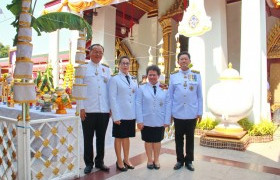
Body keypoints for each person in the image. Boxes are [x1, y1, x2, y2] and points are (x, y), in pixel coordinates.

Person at [169, 51, 203, 171]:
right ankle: (179, 160)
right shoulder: (173, 76)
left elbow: (199, 96)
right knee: (178, 138)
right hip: (178, 113)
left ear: (189, 61)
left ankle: (189, 161)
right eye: (181, 59)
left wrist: (200, 112)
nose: (184, 61)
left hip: (191, 113)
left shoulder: (196, 75)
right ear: (178, 62)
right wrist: (170, 114)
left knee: (190, 138)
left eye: (186, 59)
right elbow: (170, 96)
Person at [80, 44, 111, 174]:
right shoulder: (83, 68)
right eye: (95, 51)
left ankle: (100, 161)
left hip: (103, 110)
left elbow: (109, 90)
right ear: (90, 52)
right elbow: (78, 89)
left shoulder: (106, 69)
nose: (98, 54)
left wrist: (110, 108)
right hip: (88, 110)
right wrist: (81, 108)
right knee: (88, 138)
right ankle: (88, 163)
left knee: (101, 138)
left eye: (100, 52)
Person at [136, 65, 171, 170]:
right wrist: (139, 120)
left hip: (160, 119)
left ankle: (156, 159)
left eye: (154, 75)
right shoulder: (142, 88)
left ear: (158, 76)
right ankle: (149, 160)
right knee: (148, 140)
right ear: (147, 76)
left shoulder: (165, 88)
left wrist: (167, 120)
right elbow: (138, 104)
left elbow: (168, 104)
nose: (152, 77)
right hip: (146, 119)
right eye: (150, 75)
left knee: (157, 141)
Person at [109, 56, 138, 172]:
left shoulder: (133, 79)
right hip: (120, 114)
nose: (125, 65)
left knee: (127, 137)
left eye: (127, 63)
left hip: (130, 113)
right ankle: (119, 160)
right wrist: (115, 116)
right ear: (119, 65)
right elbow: (112, 98)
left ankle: (126, 159)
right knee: (119, 137)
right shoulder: (115, 79)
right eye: (123, 63)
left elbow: (136, 95)